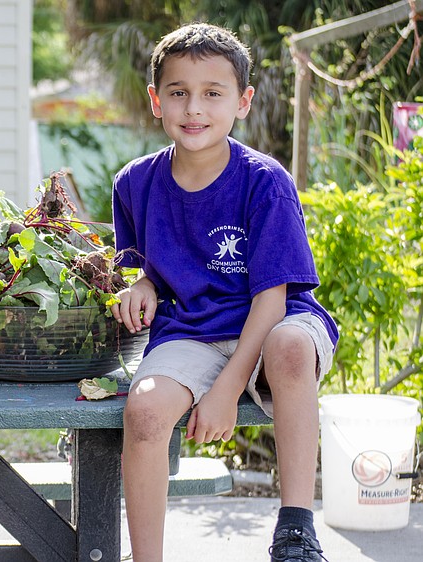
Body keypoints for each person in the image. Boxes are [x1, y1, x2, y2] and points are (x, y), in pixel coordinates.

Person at [110, 23, 337, 562]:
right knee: (142, 414)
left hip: (274, 324)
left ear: (243, 102)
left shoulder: (265, 182)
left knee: (287, 347)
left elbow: (273, 298)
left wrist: (226, 389)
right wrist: (140, 281)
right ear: (155, 100)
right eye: (179, 92)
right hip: (190, 331)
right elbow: (137, 267)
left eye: (213, 93)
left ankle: (296, 531)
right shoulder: (134, 184)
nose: (194, 108)